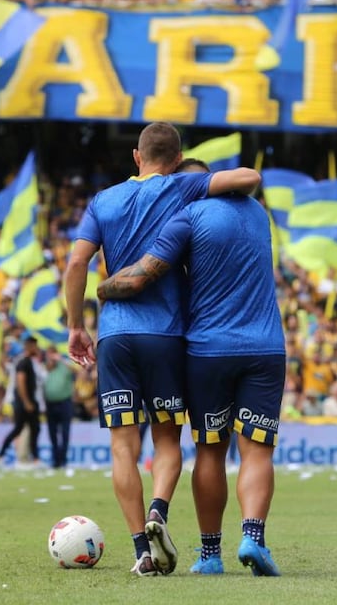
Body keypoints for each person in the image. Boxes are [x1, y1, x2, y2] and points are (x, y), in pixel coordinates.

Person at [64, 123, 261, 576]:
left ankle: (141, 551)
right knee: (167, 438)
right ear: (176, 158)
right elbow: (249, 177)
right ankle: (159, 510)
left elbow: (77, 262)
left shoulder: (104, 200)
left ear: (136, 156)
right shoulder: (183, 184)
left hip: (114, 335)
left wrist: (77, 325)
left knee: (122, 446)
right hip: (167, 336)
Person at [97, 156, 284, 577]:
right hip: (267, 347)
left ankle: (211, 554)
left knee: (210, 451)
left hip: (207, 350)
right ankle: (253, 536)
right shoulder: (259, 214)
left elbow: (139, 278)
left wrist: (103, 289)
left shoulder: (187, 215)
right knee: (257, 451)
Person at [0, 337, 40, 467]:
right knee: (21, 429)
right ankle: (1, 455)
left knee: (32, 429)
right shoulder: (23, 362)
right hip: (23, 402)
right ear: (30, 346)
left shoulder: (28, 361)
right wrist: (26, 402)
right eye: (35, 346)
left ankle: (34, 459)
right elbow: (20, 382)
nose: (37, 349)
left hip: (27, 401)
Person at [44, 346, 77, 469]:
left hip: (64, 402)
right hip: (50, 403)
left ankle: (63, 459)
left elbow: (77, 371)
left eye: (53, 354)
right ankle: (55, 460)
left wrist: (61, 360)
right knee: (52, 433)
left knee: (65, 432)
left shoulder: (64, 366)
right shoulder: (46, 368)